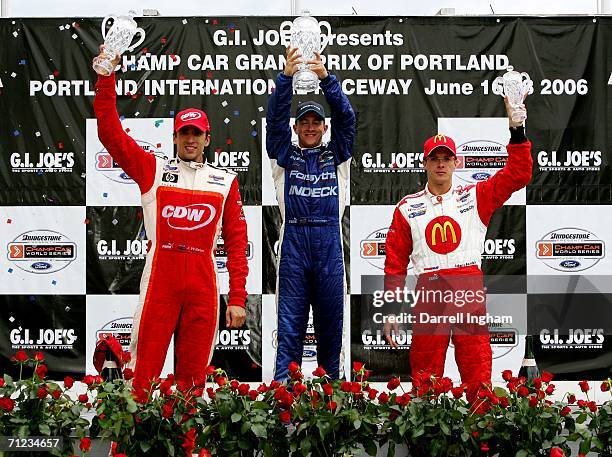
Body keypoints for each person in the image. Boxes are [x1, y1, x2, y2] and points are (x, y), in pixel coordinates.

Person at [92, 48, 249, 391]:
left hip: (203, 285)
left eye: (197, 134)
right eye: (184, 133)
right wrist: (106, 77)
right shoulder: (154, 170)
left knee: (193, 384)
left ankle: (189, 446)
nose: (190, 139)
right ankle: (130, 444)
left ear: (207, 139)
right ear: (174, 137)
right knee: (141, 377)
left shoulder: (225, 182)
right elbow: (109, 133)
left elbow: (237, 245)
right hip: (160, 279)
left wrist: (237, 298)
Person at [384, 97, 532, 401]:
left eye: (446, 157)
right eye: (434, 158)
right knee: (425, 374)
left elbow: (519, 173)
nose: (441, 163)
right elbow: (395, 263)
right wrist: (390, 308)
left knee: (477, 371)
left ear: (456, 162)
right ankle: (423, 441)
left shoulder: (477, 196)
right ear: (424, 163)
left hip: (467, 284)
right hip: (430, 288)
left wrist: (517, 129)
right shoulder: (407, 207)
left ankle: (482, 439)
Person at [266, 47, 356, 381]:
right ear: (296, 126)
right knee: (289, 335)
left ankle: (331, 417)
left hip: (329, 246)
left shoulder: (339, 155)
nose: (310, 126)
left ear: (323, 126)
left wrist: (326, 79)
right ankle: (283, 411)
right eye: (303, 121)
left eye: (316, 121)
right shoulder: (282, 156)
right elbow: (274, 121)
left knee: (331, 337)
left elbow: (347, 118)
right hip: (293, 247)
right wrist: (286, 78)